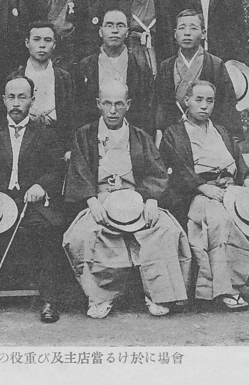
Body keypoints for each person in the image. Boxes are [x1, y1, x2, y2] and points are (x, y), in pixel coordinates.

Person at [159, 81, 249, 310]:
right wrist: (202, 187)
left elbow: (238, 160)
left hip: (231, 189)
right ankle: (228, 288)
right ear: (186, 101)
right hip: (198, 194)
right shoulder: (174, 134)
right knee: (222, 221)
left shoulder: (221, 131)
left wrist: (246, 180)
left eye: (209, 101)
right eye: (198, 99)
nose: (204, 106)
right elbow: (179, 168)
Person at [63, 79, 191, 319]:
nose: (113, 110)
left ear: (128, 105)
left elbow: (156, 172)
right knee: (82, 235)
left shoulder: (140, 137)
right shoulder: (85, 135)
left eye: (119, 104)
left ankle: (157, 295)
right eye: (107, 103)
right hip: (101, 199)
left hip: (137, 200)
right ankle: (101, 296)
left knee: (166, 229)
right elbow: (79, 171)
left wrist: (151, 200)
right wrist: (91, 201)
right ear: (98, 104)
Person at [0, 76, 67, 323]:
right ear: (3, 100)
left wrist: (41, 186)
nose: (16, 103)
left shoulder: (46, 134)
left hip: (30, 204)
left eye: (22, 97)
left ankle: (49, 300)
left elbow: (56, 168)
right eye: (11, 97)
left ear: (32, 100)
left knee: (48, 230)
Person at [155, 9, 243, 144]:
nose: (187, 33)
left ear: (203, 33)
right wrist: (159, 131)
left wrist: (230, 137)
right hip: (173, 136)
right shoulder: (166, 66)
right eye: (182, 28)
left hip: (208, 134)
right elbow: (159, 105)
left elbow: (227, 104)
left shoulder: (215, 64)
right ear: (175, 34)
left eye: (193, 28)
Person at [75, 9, 154, 133]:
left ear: (127, 32)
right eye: (109, 25)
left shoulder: (140, 66)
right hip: (93, 132)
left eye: (120, 25)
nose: (115, 30)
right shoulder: (85, 66)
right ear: (100, 31)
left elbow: (147, 108)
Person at [9, 21, 75, 154]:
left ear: (54, 44)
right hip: (23, 143)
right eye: (36, 39)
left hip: (57, 143)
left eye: (48, 40)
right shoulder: (15, 77)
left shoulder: (64, 78)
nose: (42, 45)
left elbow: (70, 118)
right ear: (27, 43)